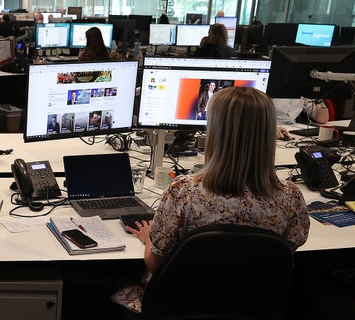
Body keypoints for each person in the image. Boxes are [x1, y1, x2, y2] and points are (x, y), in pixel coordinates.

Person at [113, 87, 309, 315]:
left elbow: (155, 265)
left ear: (216, 131)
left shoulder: (184, 191)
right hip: (252, 308)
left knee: (113, 286)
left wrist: (148, 239)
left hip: (180, 306)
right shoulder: (290, 196)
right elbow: (284, 258)